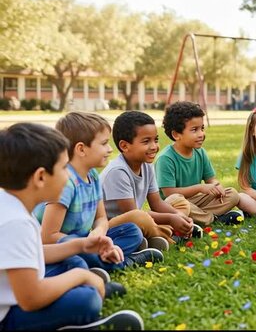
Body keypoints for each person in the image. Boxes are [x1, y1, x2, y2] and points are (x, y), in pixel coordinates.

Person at [0, 123, 143, 330]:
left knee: (69, 262)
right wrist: (81, 276)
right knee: (85, 301)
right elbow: (31, 298)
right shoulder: (15, 222)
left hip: (15, 291)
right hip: (7, 317)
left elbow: (34, 254)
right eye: (63, 168)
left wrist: (81, 246)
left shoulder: (12, 204)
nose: (68, 176)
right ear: (40, 177)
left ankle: (89, 284)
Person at [33, 112, 163, 274]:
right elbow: (48, 236)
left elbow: (101, 218)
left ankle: (103, 260)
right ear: (81, 149)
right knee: (76, 259)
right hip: (61, 246)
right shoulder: (64, 183)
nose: (110, 149)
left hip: (86, 240)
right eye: (104, 144)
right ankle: (126, 261)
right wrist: (85, 244)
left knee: (132, 231)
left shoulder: (92, 176)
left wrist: (98, 234)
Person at [100, 111, 203, 251]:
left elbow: (157, 203)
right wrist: (171, 219)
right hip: (114, 228)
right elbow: (131, 213)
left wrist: (177, 215)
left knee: (178, 201)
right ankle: (170, 235)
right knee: (140, 217)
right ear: (124, 146)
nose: (154, 146)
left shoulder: (147, 166)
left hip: (140, 220)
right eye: (146, 141)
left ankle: (155, 236)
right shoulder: (117, 171)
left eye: (155, 139)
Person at [155, 101, 243, 226]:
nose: (201, 134)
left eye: (202, 128)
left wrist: (216, 187)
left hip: (196, 202)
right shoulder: (165, 158)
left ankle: (201, 218)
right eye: (194, 130)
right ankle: (212, 218)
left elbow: (211, 180)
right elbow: (169, 193)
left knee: (232, 194)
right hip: (175, 204)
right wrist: (200, 188)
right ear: (176, 134)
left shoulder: (200, 153)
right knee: (177, 202)